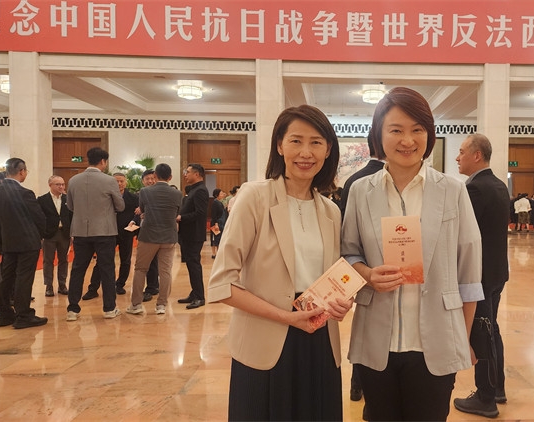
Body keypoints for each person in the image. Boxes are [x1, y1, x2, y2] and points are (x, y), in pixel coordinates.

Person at [341, 87, 483, 421]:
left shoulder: (452, 190)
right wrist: (367, 275)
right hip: (376, 339)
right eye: (396, 130)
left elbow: (469, 273)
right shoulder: (361, 191)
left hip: (437, 340)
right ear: (379, 135)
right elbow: (348, 253)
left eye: (417, 129)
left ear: (429, 134)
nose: (407, 140)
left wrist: (462, 338)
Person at [207, 104, 352, 420]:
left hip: (318, 341)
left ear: (328, 150)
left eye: (316, 142)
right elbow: (221, 284)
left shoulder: (330, 211)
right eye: (296, 141)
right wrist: (287, 317)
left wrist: (342, 302)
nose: (306, 152)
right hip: (265, 340)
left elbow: (332, 277)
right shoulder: (254, 197)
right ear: (280, 145)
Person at [453, 133, 510, 418]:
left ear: (477, 155)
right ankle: (497, 387)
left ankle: (486, 398)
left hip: (480, 275)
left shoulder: (474, 188)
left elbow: (463, 234)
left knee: (482, 332)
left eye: (462, 152)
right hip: (497, 271)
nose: (457, 157)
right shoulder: (498, 185)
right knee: (492, 329)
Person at [338, 131, 385, 406]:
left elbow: (346, 230)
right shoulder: (372, 182)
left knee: (363, 324)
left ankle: (357, 385)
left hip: (356, 263)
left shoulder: (352, 180)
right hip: (381, 268)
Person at [66, 147, 125, 321]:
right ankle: (109, 308)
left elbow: (70, 206)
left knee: (78, 269)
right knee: (107, 269)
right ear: (103, 161)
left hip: (80, 231)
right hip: (104, 231)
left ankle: (72, 310)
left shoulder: (74, 180)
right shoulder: (109, 180)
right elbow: (120, 206)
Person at [0, 158, 47, 329]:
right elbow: (39, 218)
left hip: (8, 241)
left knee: (6, 277)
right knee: (24, 277)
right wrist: (41, 234)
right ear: (22, 171)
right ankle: (23, 315)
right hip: (27, 241)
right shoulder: (25, 193)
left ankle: (3, 314)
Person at [126, 163, 183, 315]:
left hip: (148, 235)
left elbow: (143, 210)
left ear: (155, 176)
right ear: (170, 177)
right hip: (169, 236)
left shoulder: (145, 191)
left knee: (140, 269)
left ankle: (136, 305)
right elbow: (177, 212)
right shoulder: (177, 194)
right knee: (165, 272)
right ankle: (161, 305)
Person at [83, 172, 139, 298]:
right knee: (102, 260)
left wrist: (134, 222)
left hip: (126, 233)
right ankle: (93, 288)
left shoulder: (133, 198)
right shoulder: (105, 196)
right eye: (116, 181)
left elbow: (138, 214)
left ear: (126, 182)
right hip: (107, 233)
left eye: (121, 181)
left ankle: (120, 285)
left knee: (125, 260)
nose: (119, 184)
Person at [177, 163, 209, 310]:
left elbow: (200, 213)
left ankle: (200, 297)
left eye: (188, 172)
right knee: (191, 265)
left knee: (194, 265)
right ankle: (194, 293)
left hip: (194, 234)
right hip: (188, 233)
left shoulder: (200, 190)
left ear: (197, 174)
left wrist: (181, 218)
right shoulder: (194, 189)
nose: (185, 174)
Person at [37, 175, 72, 297]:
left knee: (64, 260)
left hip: (64, 233)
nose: (61, 187)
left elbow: (71, 216)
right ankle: (49, 286)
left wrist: (72, 232)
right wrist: (42, 233)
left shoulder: (68, 199)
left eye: (62, 184)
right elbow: (39, 217)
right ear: (50, 185)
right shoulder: (42, 200)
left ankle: (62, 284)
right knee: (48, 261)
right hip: (49, 234)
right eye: (58, 184)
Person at [139, 169, 160, 302]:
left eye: (153, 178)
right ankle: (153, 285)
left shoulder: (160, 195)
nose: (150, 181)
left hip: (157, 231)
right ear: (143, 181)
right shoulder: (140, 194)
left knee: (153, 261)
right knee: (148, 261)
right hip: (143, 231)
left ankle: (152, 287)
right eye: (147, 179)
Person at [209, 188, 226, 259]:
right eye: (221, 193)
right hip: (216, 223)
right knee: (214, 238)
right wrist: (216, 224)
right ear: (217, 195)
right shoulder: (215, 203)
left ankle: (218, 253)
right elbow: (214, 215)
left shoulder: (219, 202)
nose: (222, 195)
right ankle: (214, 253)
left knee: (219, 238)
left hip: (220, 223)